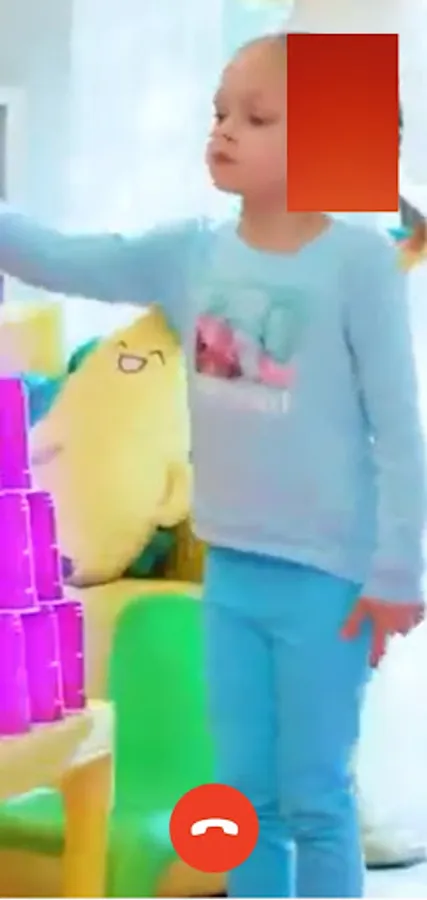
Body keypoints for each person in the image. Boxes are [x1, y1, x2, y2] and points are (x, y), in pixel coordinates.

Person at [0, 33, 425, 899]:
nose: (224, 129)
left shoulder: (357, 265)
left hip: (329, 579)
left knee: (316, 795)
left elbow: (398, 431)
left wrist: (396, 572)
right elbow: (62, 257)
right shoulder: (189, 253)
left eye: (256, 118)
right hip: (231, 569)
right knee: (243, 793)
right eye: (220, 112)